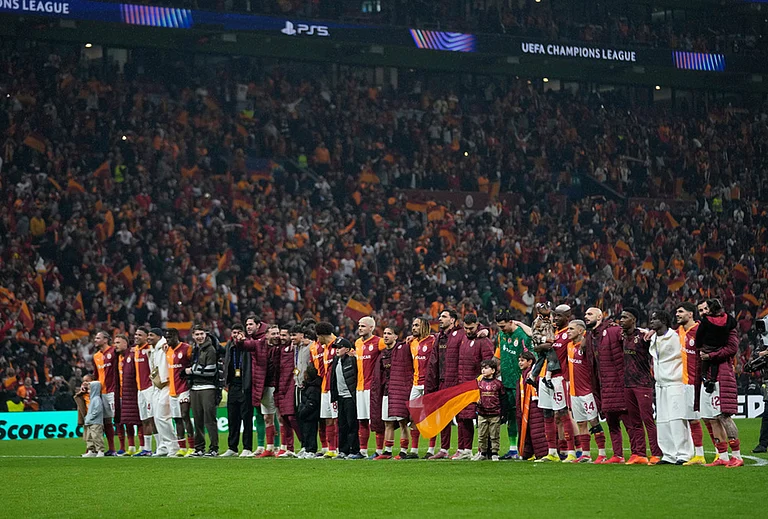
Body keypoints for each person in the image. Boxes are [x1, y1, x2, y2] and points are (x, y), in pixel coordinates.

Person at [694, 299, 743, 467]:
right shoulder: (705, 328)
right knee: (711, 418)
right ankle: (722, 456)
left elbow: (732, 349)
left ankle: (737, 455)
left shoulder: (729, 327)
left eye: (705, 309)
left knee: (724, 416)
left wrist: (710, 356)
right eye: (700, 310)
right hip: (707, 377)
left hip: (722, 375)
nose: (703, 312)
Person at [648, 310, 694, 465]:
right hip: (660, 385)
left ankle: (684, 454)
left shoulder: (675, 337)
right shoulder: (653, 337)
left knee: (677, 419)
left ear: (663, 321)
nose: (651, 322)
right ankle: (668, 454)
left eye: (655, 319)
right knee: (662, 421)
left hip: (676, 383)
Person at [584, 307, 628, 464]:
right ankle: (618, 455)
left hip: (618, 384)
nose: (586, 317)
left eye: (590, 314)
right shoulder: (590, 336)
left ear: (600, 316)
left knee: (630, 423)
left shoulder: (614, 330)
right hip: (603, 386)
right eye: (585, 314)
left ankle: (639, 453)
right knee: (612, 423)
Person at [619, 308, 661, 465]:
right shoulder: (622, 336)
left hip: (643, 383)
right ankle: (639, 454)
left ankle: (656, 454)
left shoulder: (644, 335)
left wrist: (653, 331)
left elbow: (659, 339)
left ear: (634, 319)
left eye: (625, 317)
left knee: (647, 420)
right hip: (628, 383)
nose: (621, 320)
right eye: (621, 317)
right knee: (634, 421)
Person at [426, 309, 466, 459]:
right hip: (442, 381)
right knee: (443, 417)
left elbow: (476, 327)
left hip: (456, 381)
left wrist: (484, 331)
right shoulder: (439, 337)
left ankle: (462, 449)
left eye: (444, 316)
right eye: (440, 316)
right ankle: (444, 449)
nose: (440, 319)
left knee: (461, 416)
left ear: (453, 320)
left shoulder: (461, 334)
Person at [455, 313, 495, 460]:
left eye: (471, 328)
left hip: (479, 387)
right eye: (466, 328)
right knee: (463, 417)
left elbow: (489, 365)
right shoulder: (464, 338)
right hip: (463, 384)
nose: (468, 331)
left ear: (477, 325)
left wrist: (483, 383)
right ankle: (465, 449)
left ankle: (483, 450)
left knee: (482, 419)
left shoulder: (483, 341)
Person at [494, 309, 532, 460]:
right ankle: (512, 449)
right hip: (506, 381)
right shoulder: (501, 335)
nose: (501, 329)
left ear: (511, 322)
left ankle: (526, 448)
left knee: (522, 415)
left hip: (520, 382)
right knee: (510, 415)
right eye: (499, 327)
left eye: (503, 326)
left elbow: (530, 357)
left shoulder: (522, 335)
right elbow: (498, 355)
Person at [566, 320, 606, 463]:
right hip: (574, 392)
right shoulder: (569, 345)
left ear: (580, 331)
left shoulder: (586, 347)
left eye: (571, 329)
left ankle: (602, 454)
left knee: (594, 421)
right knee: (581, 423)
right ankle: (586, 454)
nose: (568, 331)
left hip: (587, 391)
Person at [371, 326, 413, 460]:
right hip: (386, 392)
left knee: (402, 422)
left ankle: (403, 451)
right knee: (387, 423)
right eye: (384, 334)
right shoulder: (383, 354)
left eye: (389, 334)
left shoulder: (403, 349)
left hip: (399, 391)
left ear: (396, 337)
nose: (386, 336)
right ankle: (387, 451)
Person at [674, 302, 707, 465]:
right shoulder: (679, 331)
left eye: (681, 312)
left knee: (710, 419)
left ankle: (720, 453)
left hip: (700, 382)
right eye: (676, 312)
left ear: (690, 314)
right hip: (686, 383)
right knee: (692, 419)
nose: (677, 314)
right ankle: (699, 455)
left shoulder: (700, 331)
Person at [353, 316, 386, 459]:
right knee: (362, 420)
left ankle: (379, 451)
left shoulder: (379, 342)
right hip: (359, 387)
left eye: (363, 326)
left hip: (372, 387)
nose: (360, 328)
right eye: (359, 325)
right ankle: (363, 451)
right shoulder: (357, 343)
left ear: (371, 328)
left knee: (376, 420)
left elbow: (393, 347)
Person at [222, 324, 254, 458]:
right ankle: (232, 447)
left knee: (246, 419)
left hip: (245, 387)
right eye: (234, 332)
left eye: (239, 332)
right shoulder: (230, 346)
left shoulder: (248, 346)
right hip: (233, 387)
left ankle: (247, 447)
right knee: (232, 419)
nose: (236, 335)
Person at [188, 325, 220, 457]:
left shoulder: (210, 349)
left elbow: (211, 370)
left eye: (202, 334)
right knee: (197, 420)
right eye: (197, 334)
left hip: (208, 388)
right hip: (195, 388)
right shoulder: (195, 349)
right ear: (193, 336)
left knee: (209, 420)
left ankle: (214, 448)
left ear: (206, 334)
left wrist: (191, 370)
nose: (200, 337)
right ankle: (199, 448)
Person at [408, 317, 436, 458]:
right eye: (413, 325)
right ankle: (414, 450)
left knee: (430, 416)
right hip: (415, 383)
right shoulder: (411, 342)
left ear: (424, 326)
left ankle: (431, 450)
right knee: (414, 416)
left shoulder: (433, 341)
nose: (413, 328)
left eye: (416, 325)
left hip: (428, 384)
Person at [165, 328, 194, 457]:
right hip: (172, 390)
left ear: (176, 336)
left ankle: (192, 447)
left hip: (184, 388)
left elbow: (194, 363)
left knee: (185, 415)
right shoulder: (168, 351)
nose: (168, 340)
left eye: (170, 337)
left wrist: (189, 372)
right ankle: (182, 447)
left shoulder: (187, 348)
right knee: (177, 419)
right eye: (166, 338)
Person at [147, 328, 175, 456]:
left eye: (151, 335)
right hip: (157, 386)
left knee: (163, 417)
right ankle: (163, 446)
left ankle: (173, 446)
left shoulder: (164, 346)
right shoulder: (154, 350)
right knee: (157, 418)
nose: (149, 338)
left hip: (167, 385)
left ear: (159, 336)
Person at [276, 326, 302, 458]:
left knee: (292, 417)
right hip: (280, 387)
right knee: (284, 418)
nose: (282, 337)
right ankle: (289, 448)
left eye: (285, 335)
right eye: (281, 335)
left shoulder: (295, 350)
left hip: (291, 385)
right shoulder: (279, 350)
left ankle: (304, 445)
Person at [329, 337, 357, 459]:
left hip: (350, 397)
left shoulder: (352, 360)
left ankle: (354, 450)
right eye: (336, 348)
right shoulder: (336, 360)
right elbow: (333, 379)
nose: (337, 350)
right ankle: (343, 450)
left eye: (340, 348)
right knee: (342, 425)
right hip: (340, 397)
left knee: (352, 424)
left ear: (347, 349)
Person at [516, 352, 547, 460]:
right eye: (519, 360)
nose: (520, 363)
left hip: (535, 405)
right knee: (528, 430)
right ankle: (529, 453)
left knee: (537, 430)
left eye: (522, 360)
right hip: (525, 406)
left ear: (530, 362)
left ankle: (542, 453)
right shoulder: (523, 374)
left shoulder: (534, 373)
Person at [92, 330, 118, 456]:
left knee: (118, 419)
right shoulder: (96, 356)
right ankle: (112, 449)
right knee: (106, 421)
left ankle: (124, 447)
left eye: (98, 338)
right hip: (101, 392)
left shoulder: (114, 352)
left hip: (113, 391)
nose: (95, 340)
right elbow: (96, 375)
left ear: (106, 339)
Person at [315, 321, 339, 458]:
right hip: (325, 388)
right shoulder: (325, 349)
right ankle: (332, 449)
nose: (317, 340)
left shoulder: (339, 346)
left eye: (318, 337)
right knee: (328, 420)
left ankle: (340, 448)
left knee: (337, 419)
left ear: (322, 335)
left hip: (335, 389)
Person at [116, 334, 141, 456]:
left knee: (139, 419)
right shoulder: (116, 358)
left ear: (126, 343)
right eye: (115, 343)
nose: (116, 345)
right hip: (120, 393)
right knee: (124, 421)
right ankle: (129, 446)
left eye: (118, 342)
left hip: (133, 392)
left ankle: (142, 446)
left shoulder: (132, 355)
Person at [475, 359, 505, 461]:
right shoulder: (478, 383)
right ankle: (483, 453)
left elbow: (502, 398)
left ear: (493, 370)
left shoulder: (498, 384)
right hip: (482, 413)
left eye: (486, 368)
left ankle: (494, 453)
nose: (483, 370)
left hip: (495, 413)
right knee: (482, 435)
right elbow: (474, 396)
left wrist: (503, 413)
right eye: (482, 368)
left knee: (494, 435)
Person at [133, 327, 155, 456]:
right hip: (140, 390)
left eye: (139, 335)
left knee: (153, 418)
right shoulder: (136, 350)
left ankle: (160, 446)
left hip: (149, 388)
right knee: (144, 419)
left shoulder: (150, 349)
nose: (136, 336)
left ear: (146, 337)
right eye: (136, 334)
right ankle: (147, 449)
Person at [298, 365, 321, 458]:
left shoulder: (313, 388)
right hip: (306, 415)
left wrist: (303, 412)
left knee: (311, 433)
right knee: (306, 433)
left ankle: (311, 450)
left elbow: (312, 403)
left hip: (311, 416)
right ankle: (306, 448)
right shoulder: (307, 386)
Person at [82, 379, 105, 457]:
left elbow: (97, 410)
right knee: (89, 437)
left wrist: (90, 417)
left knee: (97, 436)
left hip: (96, 422)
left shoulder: (96, 399)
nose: (88, 390)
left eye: (90, 388)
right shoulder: (92, 399)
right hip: (90, 422)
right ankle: (92, 450)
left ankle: (100, 450)